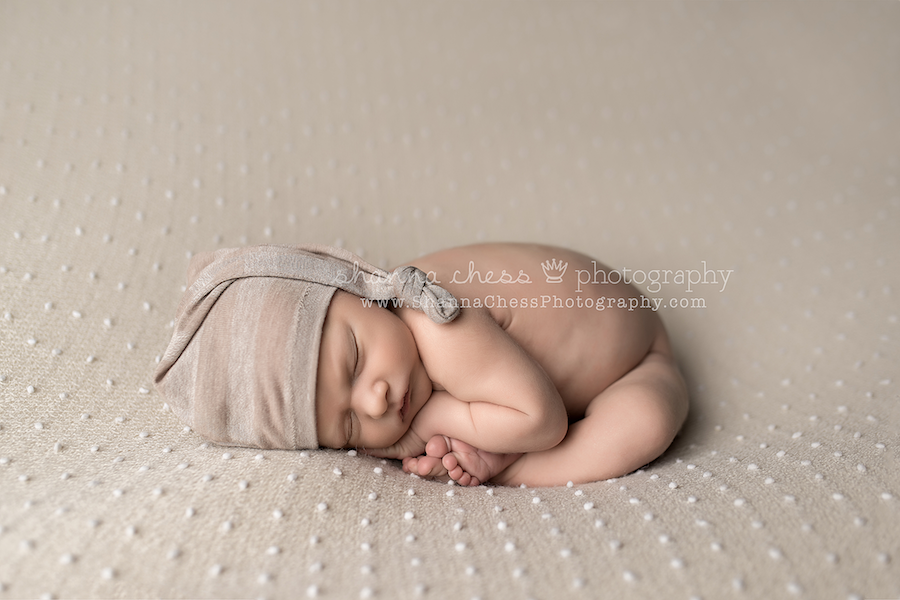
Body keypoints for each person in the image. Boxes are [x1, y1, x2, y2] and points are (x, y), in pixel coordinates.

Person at [155, 243, 687, 488]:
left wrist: (436, 422)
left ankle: (509, 466)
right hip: (621, 379)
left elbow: (543, 422)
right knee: (643, 419)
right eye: (348, 425)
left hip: (641, 353)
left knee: (644, 425)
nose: (375, 401)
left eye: (355, 360)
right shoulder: (397, 344)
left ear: (357, 288)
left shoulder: (432, 321)